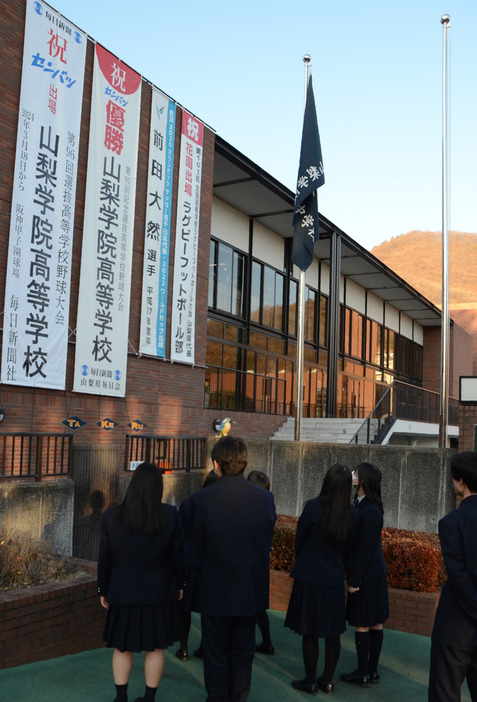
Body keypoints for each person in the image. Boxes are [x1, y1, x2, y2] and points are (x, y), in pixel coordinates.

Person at [189, 436, 276, 702]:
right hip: (250, 589)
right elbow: (265, 542)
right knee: (243, 650)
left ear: (217, 464)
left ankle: (217, 698)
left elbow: (193, 551)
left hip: (214, 590)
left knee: (215, 653)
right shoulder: (264, 498)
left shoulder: (199, 501)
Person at [97, 462, 185, 702]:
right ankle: (149, 698)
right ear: (158, 486)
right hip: (159, 591)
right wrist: (181, 584)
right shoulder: (169, 515)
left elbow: (104, 558)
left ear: (133, 484)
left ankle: (121, 697)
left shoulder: (112, 516)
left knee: (122, 646)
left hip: (123, 591)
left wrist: (102, 589)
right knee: (155, 647)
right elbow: (178, 554)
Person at [285, 463, 354, 694]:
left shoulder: (313, 507)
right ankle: (327, 680)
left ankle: (310, 680)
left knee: (310, 631)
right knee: (333, 633)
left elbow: (299, 541)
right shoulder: (351, 514)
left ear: (327, 482)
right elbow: (348, 550)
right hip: (333, 578)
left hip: (309, 575)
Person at [428, 451, 477, 702]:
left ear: (460, 480)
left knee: (444, 694)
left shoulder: (451, 522)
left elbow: (458, 576)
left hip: (456, 625)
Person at [341, 461, 389, 688]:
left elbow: (365, 548)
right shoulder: (365, 505)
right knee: (375, 623)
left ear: (364, 481)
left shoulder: (368, 510)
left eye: (356, 474)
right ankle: (371, 671)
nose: (353, 476)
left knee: (364, 623)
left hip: (367, 576)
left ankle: (364, 673)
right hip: (374, 573)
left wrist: (354, 579)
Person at [176, 469, 220, 662]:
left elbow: (179, 535)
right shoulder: (220, 507)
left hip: (188, 562)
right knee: (207, 608)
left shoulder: (187, 504)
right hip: (210, 564)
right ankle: (204, 647)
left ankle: (183, 648)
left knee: (184, 608)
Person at [247, 470, 275, 656]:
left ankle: (249, 645)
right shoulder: (268, 507)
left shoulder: (247, 509)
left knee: (249, 605)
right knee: (259, 606)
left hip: (248, 561)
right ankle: (267, 642)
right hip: (261, 560)